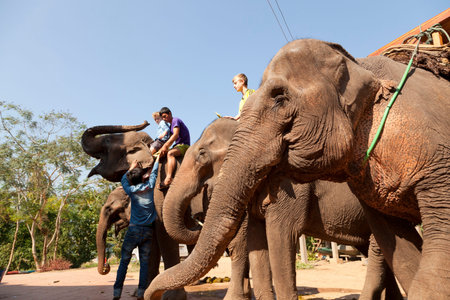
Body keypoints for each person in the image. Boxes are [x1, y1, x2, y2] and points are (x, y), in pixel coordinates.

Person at [113, 157, 159, 300]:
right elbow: (154, 173)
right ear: (144, 177)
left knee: (124, 262)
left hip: (133, 231)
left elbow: (123, 180)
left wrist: (131, 168)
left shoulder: (131, 190)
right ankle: (141, 293)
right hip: (148, 232)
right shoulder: (150, 186)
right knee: (144, 264)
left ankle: (117, 293)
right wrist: (157, 159)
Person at [158, 107, 190, 189]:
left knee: (170, 153)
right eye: (162, 118)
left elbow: (175, 135)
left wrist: (165, 146)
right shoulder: (170, 126)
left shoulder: (175, 120)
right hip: (177, 146)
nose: (164, 119)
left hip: (184, 145)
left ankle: (169, 178)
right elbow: (171, 139)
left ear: (170, 113)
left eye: (165, 116)